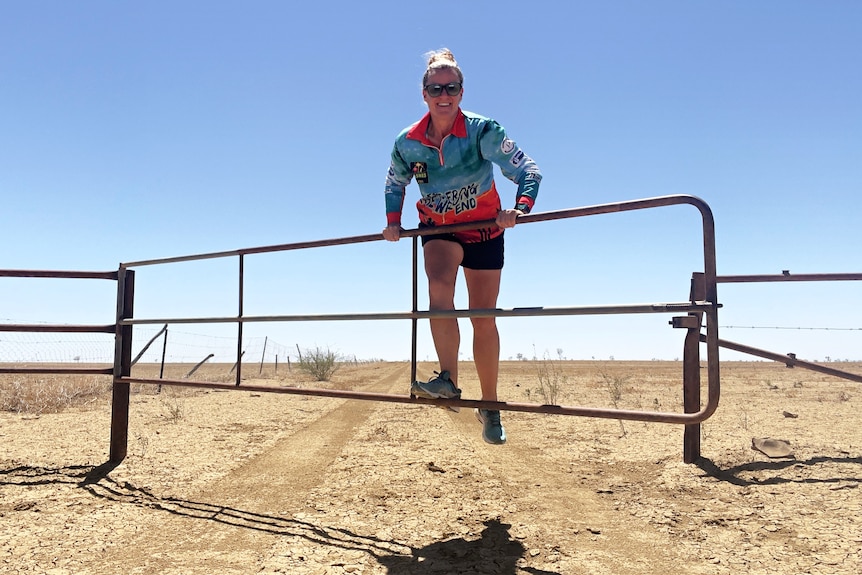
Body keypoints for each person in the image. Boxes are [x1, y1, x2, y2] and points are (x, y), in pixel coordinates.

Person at [382, 49, 542, 445]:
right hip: (438, 228)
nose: (444, 94)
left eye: (451, 87)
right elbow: (394, 182)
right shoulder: (408, 143)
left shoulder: (482, 131)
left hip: (485, 229)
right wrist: (392, 222)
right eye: (435, 88)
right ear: (424, 93)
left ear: (461, 91)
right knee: (439, 287)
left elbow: (528, 170)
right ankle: (448, 380)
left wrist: (518, 208)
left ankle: (490, 406)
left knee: (483, 318)